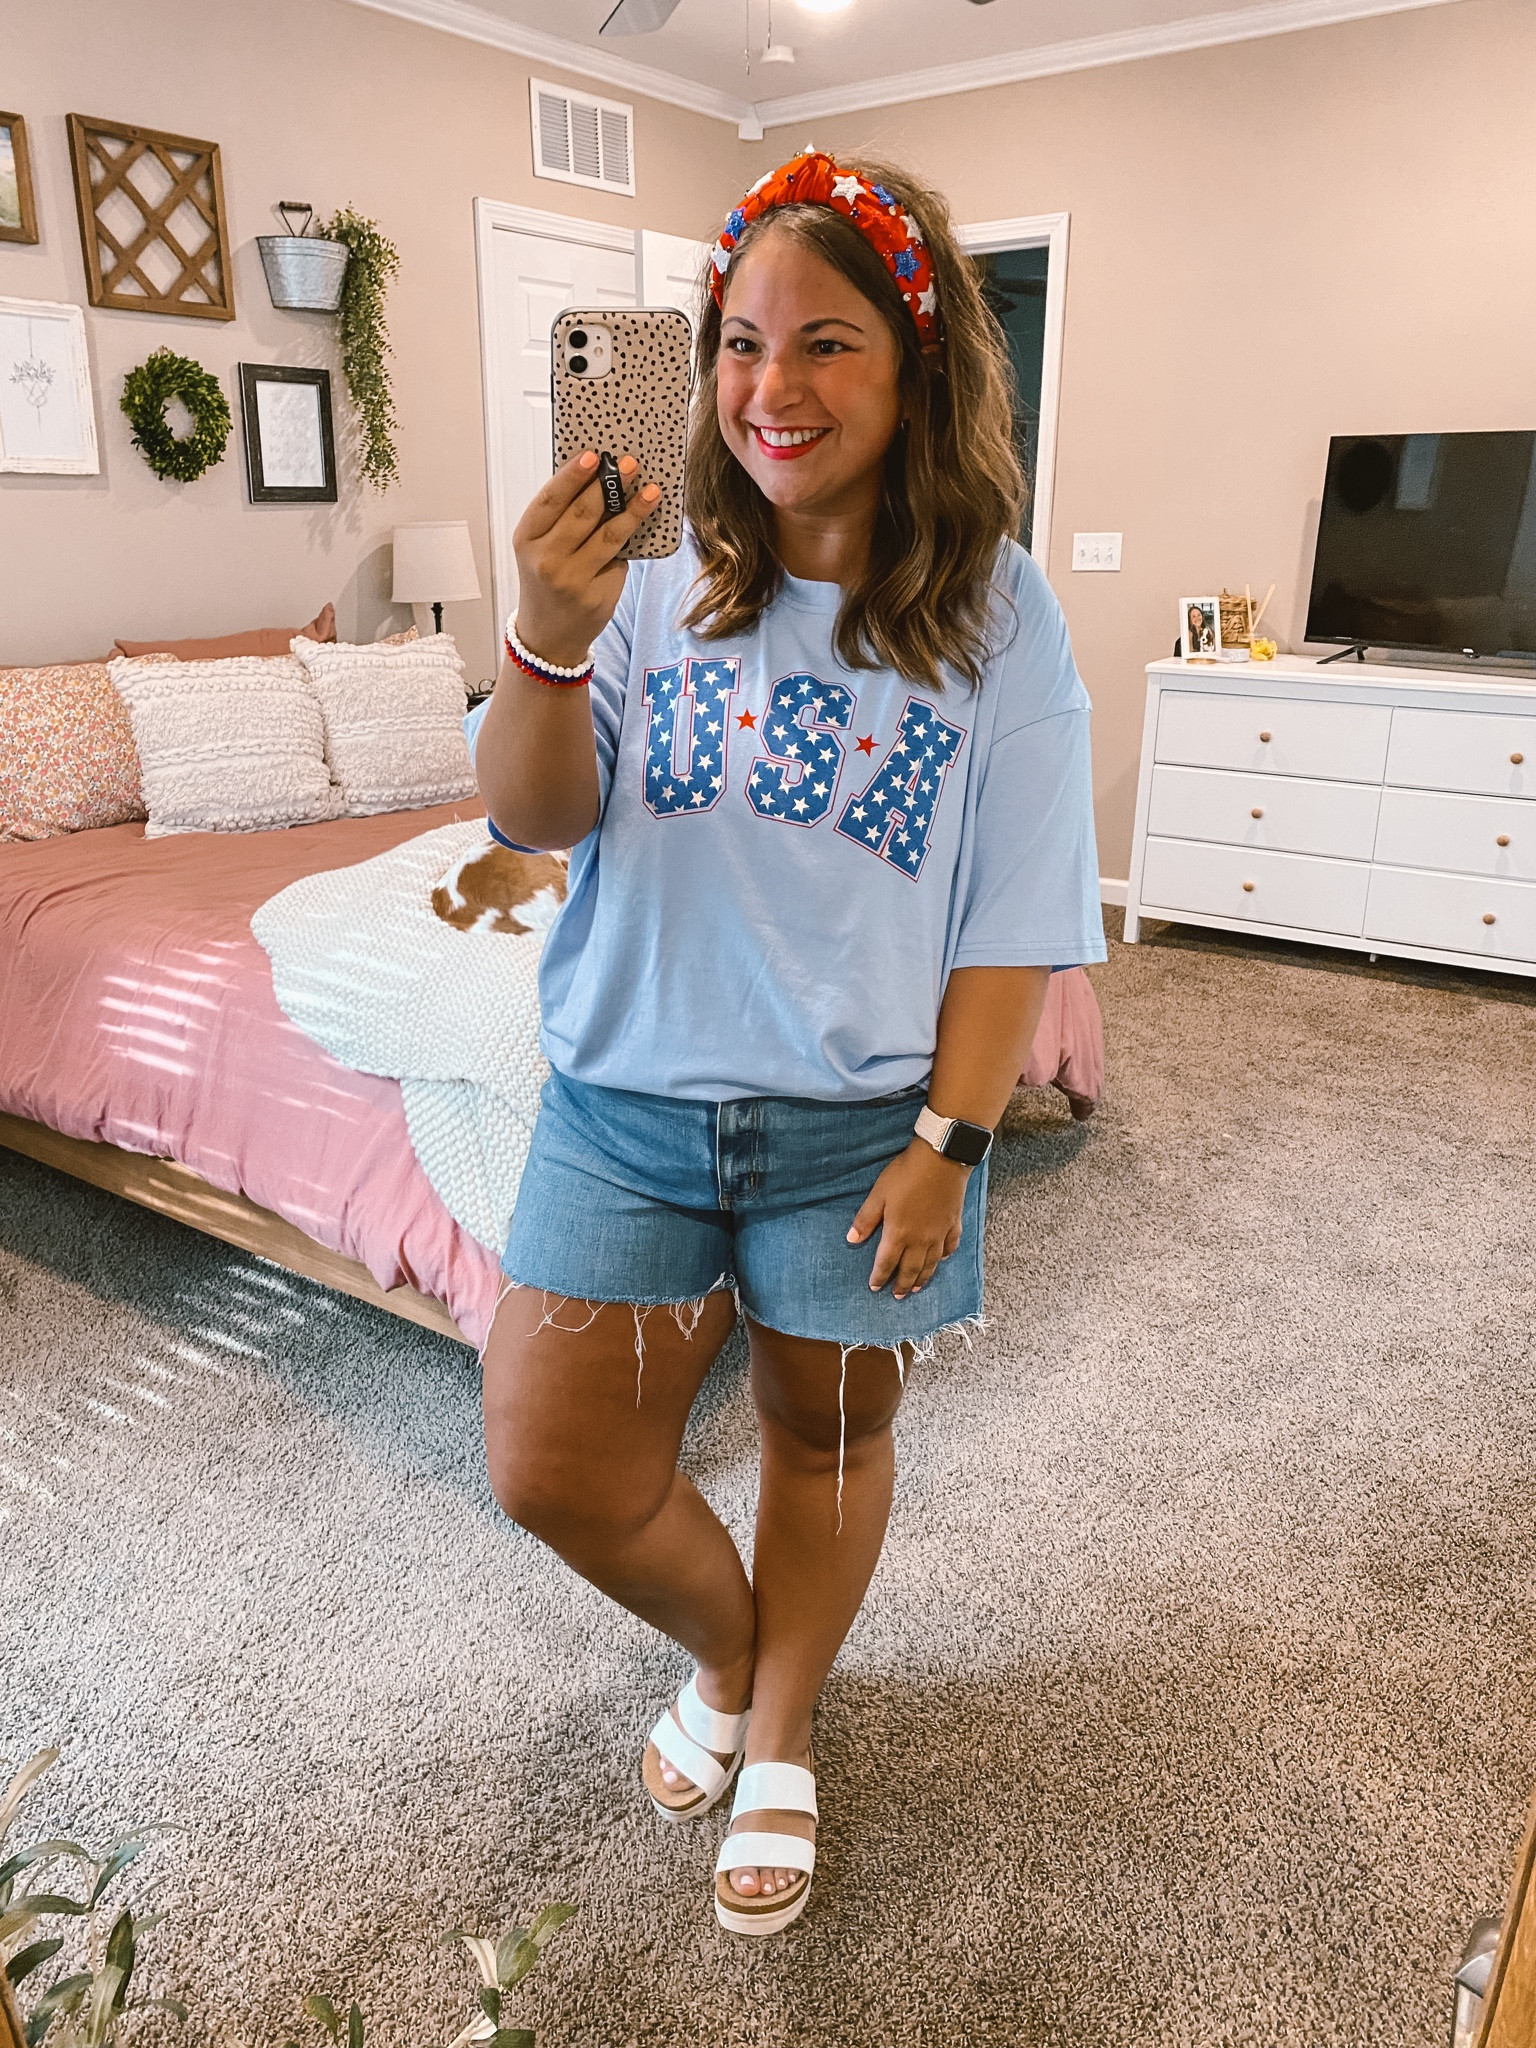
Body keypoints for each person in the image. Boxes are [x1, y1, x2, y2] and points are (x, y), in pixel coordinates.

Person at [467, 150, 1105, 1939]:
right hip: (621, 1107)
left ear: (916, 367)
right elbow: (528, 820)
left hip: (858, 1128)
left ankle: (784, 1728)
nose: (771, 391)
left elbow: (1015, 913)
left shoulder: (998, 613)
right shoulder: (642, 567)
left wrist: (956, 1141)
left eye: (826, 344)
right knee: (552, 1462)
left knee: (826, 1442)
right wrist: (544, 641)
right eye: (740, 343)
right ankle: (745, 1655)